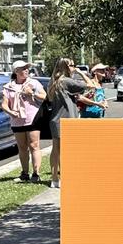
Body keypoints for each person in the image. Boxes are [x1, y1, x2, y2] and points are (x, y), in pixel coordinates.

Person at [45, 57, 89, 189]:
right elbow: (90, 84)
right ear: (65, 67)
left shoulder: (53, 82)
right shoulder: (67, 81)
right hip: (67, 120)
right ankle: (64, 177)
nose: (73, 68)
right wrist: (81, 73)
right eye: (72, 66)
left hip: (55, 120)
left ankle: (54, 179)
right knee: (66, 151)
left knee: (55, 149)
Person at [0, 60, 45, 183]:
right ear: (16, 71)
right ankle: (24, 173)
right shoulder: (9, 87)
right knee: (22, 147)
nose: (26, 70)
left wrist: (32, 93)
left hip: (33, 117)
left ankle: (36, 173)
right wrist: (10, 112)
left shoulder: (33, 83)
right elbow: (4, 104)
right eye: (23, 68)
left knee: (34, 145)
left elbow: (44, 97)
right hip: (17, 120)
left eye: (27, 68)